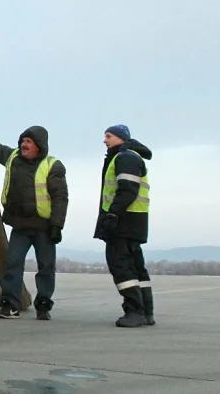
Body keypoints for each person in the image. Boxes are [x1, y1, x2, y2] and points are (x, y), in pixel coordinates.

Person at [0, 114, 67, 320]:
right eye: (22, 141)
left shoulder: (53, 166)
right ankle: (11, 305)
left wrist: (57, 226)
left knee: (46, 266)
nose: (23, 144)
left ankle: (43, 305)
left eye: (28, 141)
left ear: (39, 145)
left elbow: (61, 198)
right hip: (20, 225)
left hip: (44, 227)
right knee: (13, 263)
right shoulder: (12, 157)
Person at [94, 124, 155, 328]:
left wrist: (113, 214)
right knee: (137, 267)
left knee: (120, 264)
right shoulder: (128, 157)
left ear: (121, 138)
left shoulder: (125, 157)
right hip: (134, 221)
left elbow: (128, 189)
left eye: (109, 136)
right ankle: (146, 311)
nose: (105, 140)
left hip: (124, 221)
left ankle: (135, 310)